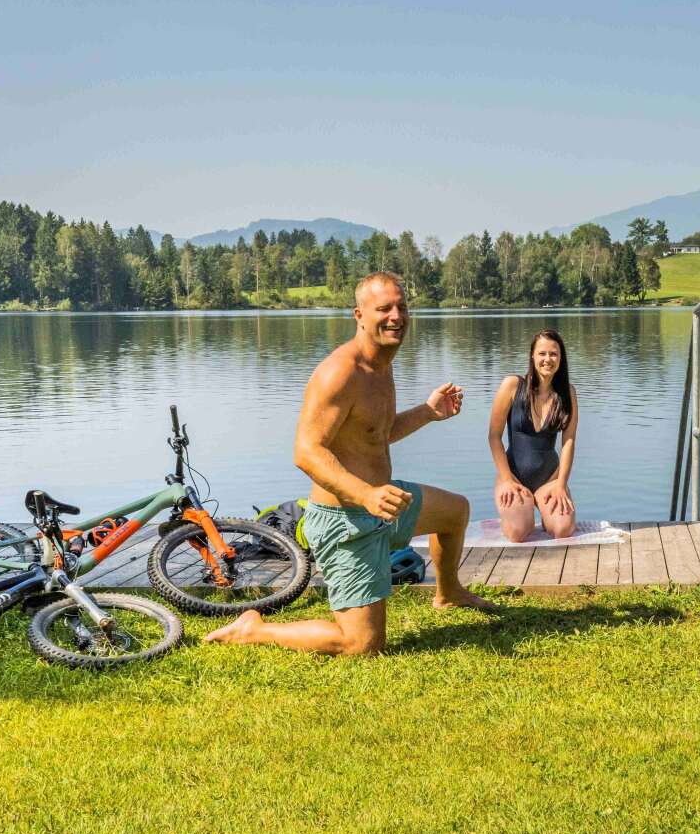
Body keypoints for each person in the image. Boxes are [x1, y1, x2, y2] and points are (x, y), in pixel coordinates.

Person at [206, 271, 494, 654]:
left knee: (456, 511)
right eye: (384, 308)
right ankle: (253, 628)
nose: (396, 316)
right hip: (344, 520)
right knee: (361, 644)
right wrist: (366, 494)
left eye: (402, 307)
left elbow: (377, 433)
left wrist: (427, 412)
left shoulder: (382, 364)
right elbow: (306, 451)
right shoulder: (341, 372)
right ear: (359, 315)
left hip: (381, 503)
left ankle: (449, 592)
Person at [488, 329, 579, 542]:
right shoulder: (512, 385)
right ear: (532, 356)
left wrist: (561, 483)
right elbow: (494, 436)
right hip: (513, 477)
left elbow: (569, 441)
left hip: (550, 478)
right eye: (542, 353)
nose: (548, 359)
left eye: (554, 354)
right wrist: (507, 480)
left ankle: (545, 513)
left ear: (561, 358)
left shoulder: (568, 393)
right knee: (518, 532)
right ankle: (521, 514)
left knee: (563, 529)